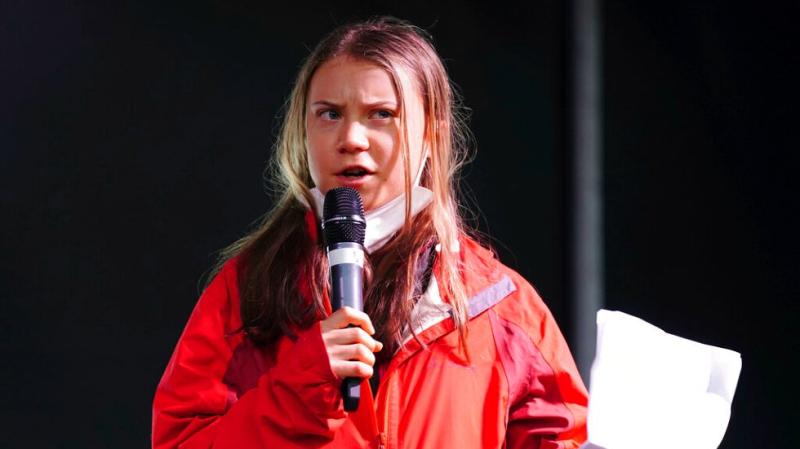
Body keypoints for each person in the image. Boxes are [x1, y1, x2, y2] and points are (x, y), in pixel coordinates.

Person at [152, 16, 588, 449]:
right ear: (303, 129)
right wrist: (302, 385)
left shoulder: (498, 306)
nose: (351, 138)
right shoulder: (246, 292)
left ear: (433, 136)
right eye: (329, 114)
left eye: (382, 115)